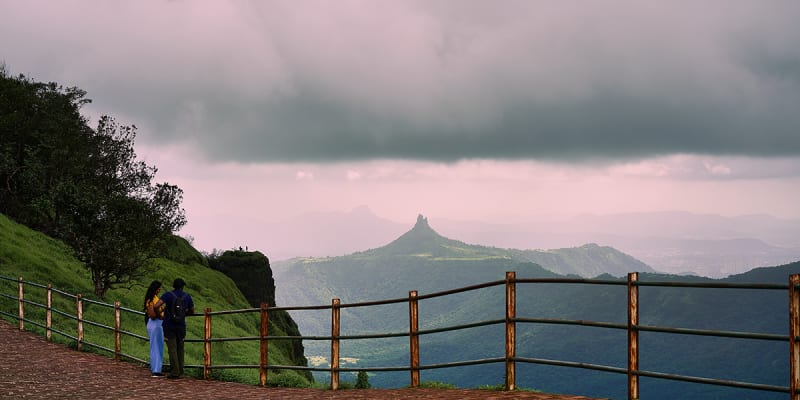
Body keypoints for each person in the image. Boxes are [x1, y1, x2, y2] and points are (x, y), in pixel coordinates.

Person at [154, 278, 195, 379]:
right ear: (183, 286)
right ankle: (181, 371)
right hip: (181, 326)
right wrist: (183, 313)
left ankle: (175, 372)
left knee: (172, 349)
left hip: (169, 325)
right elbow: (192, 311)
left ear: (173, 285)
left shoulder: (168, 295)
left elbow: (156, 305)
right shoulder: (187, 296)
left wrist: (160, 314)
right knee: (180, 348)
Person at [143, 280, 165, 377]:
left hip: (154, 324)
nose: (160, 290)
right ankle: (156, 369)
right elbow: (153, 315)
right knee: (157, 346)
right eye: (159, 288)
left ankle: (155, 367)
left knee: (156, 346)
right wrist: (161, 313)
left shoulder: (152, 298)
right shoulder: (152, 299)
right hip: (156, 323)